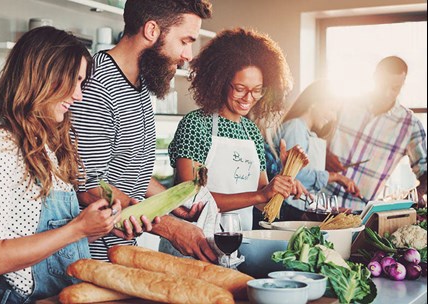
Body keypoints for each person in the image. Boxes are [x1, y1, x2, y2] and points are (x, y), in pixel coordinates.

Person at [0, 27, 139, 303]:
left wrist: (98, 225)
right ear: (44, 76)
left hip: (64, 295)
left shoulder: (47, 143)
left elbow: (50, 244)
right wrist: (77, 228)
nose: (78, 95)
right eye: (73, 81)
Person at [70, 0, 217, 262]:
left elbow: (128, 168)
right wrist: (171, 228)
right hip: (87, 260)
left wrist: (171, 204)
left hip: (119, 255)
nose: (189, 55)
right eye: (185, 41)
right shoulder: (96, 86)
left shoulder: (138, 87)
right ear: (151, 31)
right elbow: (88, 186)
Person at [167, 28, 307, 238]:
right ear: (220, 82)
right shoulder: (196, 125)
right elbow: (189, 199)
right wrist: (260, 194)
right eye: (240, 88)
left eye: (257, 89)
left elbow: (262, 204)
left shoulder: (251, 132)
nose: (248, 98)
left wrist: (283, 179)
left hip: (238, 243)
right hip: (191, 244)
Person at [324, 56, 427, 210]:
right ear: (374, 78)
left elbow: (425, 172)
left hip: (359, 213)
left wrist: (417, 193)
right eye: (383, 85)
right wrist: (323, 154)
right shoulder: (344, 104)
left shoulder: (410, 125)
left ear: (402, 85)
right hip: (318, 202)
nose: (387, 93)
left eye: (395, 88)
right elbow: (312, 137)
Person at [273, 79, 362, 219]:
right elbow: (293, 176)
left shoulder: (309, 133)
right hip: (288, 212)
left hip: (301, 211)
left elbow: (307, 190)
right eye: (332, 109)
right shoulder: (295, 127)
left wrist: (330, 209)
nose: (333, 117)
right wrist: (336, 177)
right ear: (314, 103)